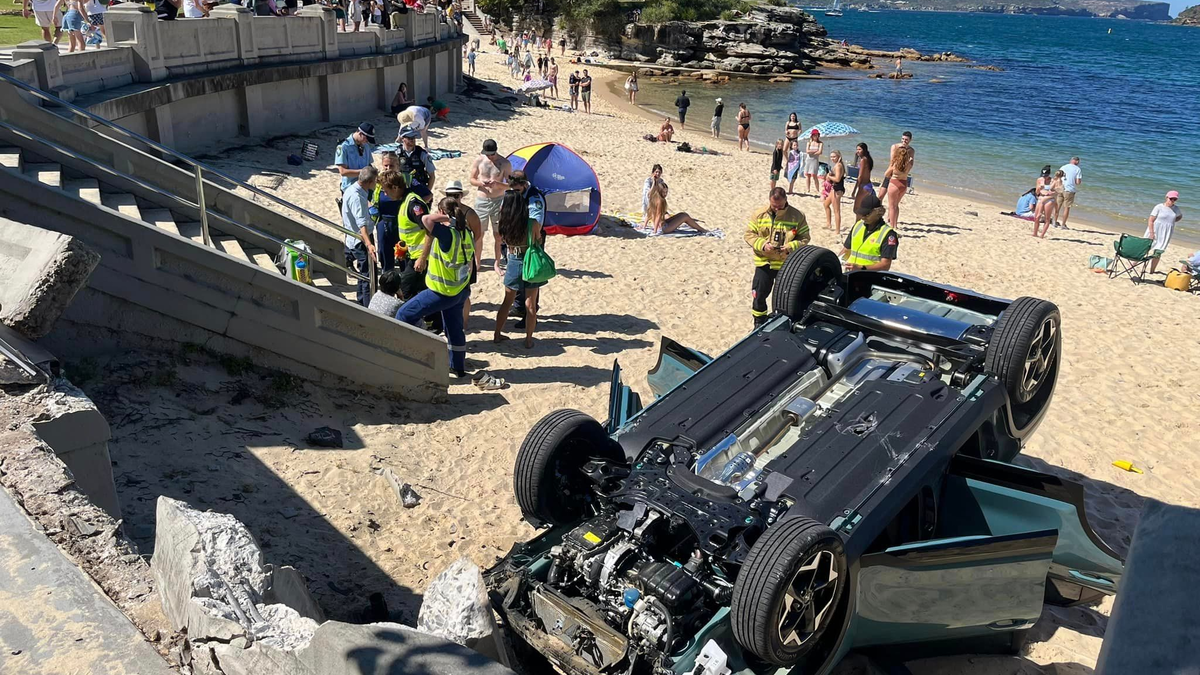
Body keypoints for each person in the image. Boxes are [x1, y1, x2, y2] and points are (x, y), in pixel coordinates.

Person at [396, 197, 475, 376]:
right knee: (454, 329)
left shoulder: (447, 234)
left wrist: (444, 218)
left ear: (442, 213)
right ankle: (458, 367)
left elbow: (426, 220)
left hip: (443, 291)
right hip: (460, 289)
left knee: (404, 314)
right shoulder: (466, 232)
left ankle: (416, 356)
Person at [744, 187, 810, 326]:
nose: (776, 209)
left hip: (785, 264)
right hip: (764, 262)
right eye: (774, 206)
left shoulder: (797, 216)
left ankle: (783, 322)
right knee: (759, 295)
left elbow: (805, 238)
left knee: (785, 297)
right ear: (769, 200)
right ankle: (759, 323)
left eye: (779, 206)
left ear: (786, 200)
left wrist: (791, 246)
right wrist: (762, 244)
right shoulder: (759, 214)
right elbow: (749, 234)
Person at [492, 189, 545, 349]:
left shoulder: (504, 224)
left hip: (513, 261)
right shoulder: (532, 223)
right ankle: (528, 340)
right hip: (529, 262)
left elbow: (500, 241)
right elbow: (538, 239)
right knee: (530, 304)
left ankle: (497, 334)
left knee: (507, 301)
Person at [442, 181, 484, 327]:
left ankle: (463, 324)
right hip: (448, 257)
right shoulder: (444, 211)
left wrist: (473, 256)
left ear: (461, 196)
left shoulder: (469, 213)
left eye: (455, 195)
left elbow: (478, 235)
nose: (453, 198)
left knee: (464, 293)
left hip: (464, 258)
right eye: (449, 195)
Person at [469, 139, 512, 274]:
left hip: (498, 200)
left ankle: (497, 263)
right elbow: (471, 179)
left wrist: (498, 184)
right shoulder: (479, 161)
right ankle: (477, 261)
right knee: (478, 234)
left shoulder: (504, 163)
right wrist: (481, 183)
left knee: (498, 235)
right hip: (482, 200)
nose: (490, 157)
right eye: (487, 154)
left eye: (492, 154)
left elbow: (511, 185)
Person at [342, 166, 378, 306]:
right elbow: (361, 224)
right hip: (360, 239)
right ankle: (367, 306)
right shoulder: (357, 197)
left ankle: (361, 300)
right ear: (370, 182)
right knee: (368, 275)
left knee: (364, 274)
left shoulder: (352, 189)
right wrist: (369, 245)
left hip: (354, 237)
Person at [841, 192, 898, 272]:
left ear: (878, 212)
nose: (863, 217)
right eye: (862, 213)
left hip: (870, 277)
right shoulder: (858, 226)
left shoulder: (888, 235)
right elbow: (846, 250)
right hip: (850, 274)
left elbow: (885, 265)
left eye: (867, 214)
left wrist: (861, 268)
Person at [1145, 191, 1182, 274]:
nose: (1172, 200)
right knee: (1145, 248)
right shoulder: (1159, 207)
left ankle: (1152, 271)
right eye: (1171, 198)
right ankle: (1132, 265)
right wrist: (1151, 233)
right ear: (1166, 197)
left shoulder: (1176, 209)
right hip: (1155, 230)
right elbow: (1151, 220)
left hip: (1166, 233)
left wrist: (1171, 222)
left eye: (1174, 199)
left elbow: (1180, 216)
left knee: (1158, 251)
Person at [884, 131, 915, 228]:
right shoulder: (908, 164)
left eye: (906, 140)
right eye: (903, 139)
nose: (904, 141)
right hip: (904, 183)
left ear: (910, 140)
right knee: (895, 205)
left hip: (894, 181)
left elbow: (887, 172)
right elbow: (910, 165)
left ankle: (893, 226)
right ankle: (895, 225)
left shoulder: (895, 164)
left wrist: (891, 170)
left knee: (892, 206)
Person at [335, 123, 375, 195]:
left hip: (366, 186)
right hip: (351, 188)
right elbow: (343, 172)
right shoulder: (344, 147)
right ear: (360, 134)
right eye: (367, 139)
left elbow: (369, 164)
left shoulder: (366, 146)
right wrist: (364, 172)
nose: (367, 142)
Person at [824, 150, 847, 237]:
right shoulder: (837, 165)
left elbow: (837, 179)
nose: (832, 158)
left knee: (836, 211)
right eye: (831, 157)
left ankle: (837, 230)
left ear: (838, 156)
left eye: (834, 157)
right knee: (826, 204)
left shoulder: (838, 166)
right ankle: (828, 224)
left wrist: (829, 176)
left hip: (838, 190)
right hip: (834, 188)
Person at [1031, 166, 1058, 237]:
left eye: (1046, 176)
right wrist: (1039, 188)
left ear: (1049, 174)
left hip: (1049, 199)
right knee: (1037, 217)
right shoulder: (1039, 180)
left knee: (1047, 218)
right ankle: (1035, 233)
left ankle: (1042, 235)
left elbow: (1057, 192)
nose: (1044, 177)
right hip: (1041, 198)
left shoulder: (1053, 181)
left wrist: (1051, 193)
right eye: (1043, 176)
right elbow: (1036, 193)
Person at [1057, 156, 1082, 229]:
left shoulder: (1063, 167)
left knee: (1058, 206)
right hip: (1069, 190)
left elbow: (1058, 176)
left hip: (1061, 188)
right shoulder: (1077, 169)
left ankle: (1054, 221)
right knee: (1066, 208)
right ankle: (1063, 224)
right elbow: (1078, 182)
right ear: (1076, 161)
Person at [850, 142, 874, 212]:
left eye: (859, 149)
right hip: (869, 186)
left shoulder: (863, 160)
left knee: (856, 210)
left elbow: (860, 176)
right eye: (857, 149)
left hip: (863, 187)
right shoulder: (868, 159)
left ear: (864, 150)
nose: (857, 151)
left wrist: (854, 190)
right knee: (862, 209)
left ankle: (858, 223)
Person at [803, 129, 823, 194]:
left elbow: (820, 152)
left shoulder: (820, 143)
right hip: (808, 160)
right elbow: (807, 151)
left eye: (816, 135)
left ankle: (817, 189)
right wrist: (815, 151)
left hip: (815, 160)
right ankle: (808, 189)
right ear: (812, 135)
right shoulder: (809, 143)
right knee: (808, 175)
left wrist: (811, 152)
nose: (815, 136)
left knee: (815, 175)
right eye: (814, 135)